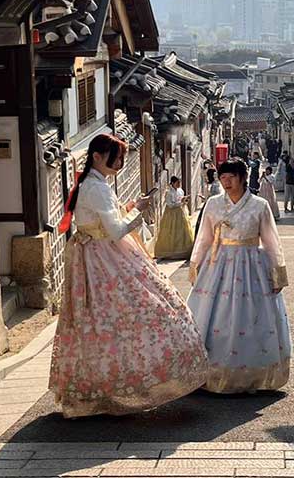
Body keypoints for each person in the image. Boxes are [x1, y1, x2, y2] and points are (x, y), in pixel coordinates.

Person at [50, 134, 207, 417]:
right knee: (145, 309)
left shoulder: (94, 184)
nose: (121, 163)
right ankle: (133, 382)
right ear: (97, 155)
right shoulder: (96, 188)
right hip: (106, 258)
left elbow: (105, 218)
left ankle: (101, 386)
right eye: (117, 156)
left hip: (98, 256)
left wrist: (132, 204)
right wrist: (141, 213)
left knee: (102, 320)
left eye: (122, 157)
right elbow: (116, 231)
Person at [187, 158, 292, 393]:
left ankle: (253, 375)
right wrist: (196, 265)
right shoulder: (213, 204)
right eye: (223, 178)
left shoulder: (259, 205)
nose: (226, 182)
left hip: (251, 264)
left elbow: (271, 241)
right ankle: (212, 372)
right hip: (218, 265)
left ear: (243, 177)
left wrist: (277, 273)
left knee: (251, 317)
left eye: (231, 177)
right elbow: (204, 237)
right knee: (215, 317)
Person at [154, 176, 194, 260]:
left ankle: (184, 251)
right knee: (171, 231)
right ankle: (169, 252)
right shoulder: (169, 192)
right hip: (172, 214)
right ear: (172, 183)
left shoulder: (180, 191)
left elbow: (181, 200)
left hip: (180, 212)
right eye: (177, 183)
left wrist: (185, 201)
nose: (179, 184)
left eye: (179, 183)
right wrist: (181, 202)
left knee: (183, 230)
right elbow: (170, 205)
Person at [194, 168, 223, 238]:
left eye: (207, 176)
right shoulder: (215, 184)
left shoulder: (215, 186)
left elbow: (213, 198)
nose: (206, 178)